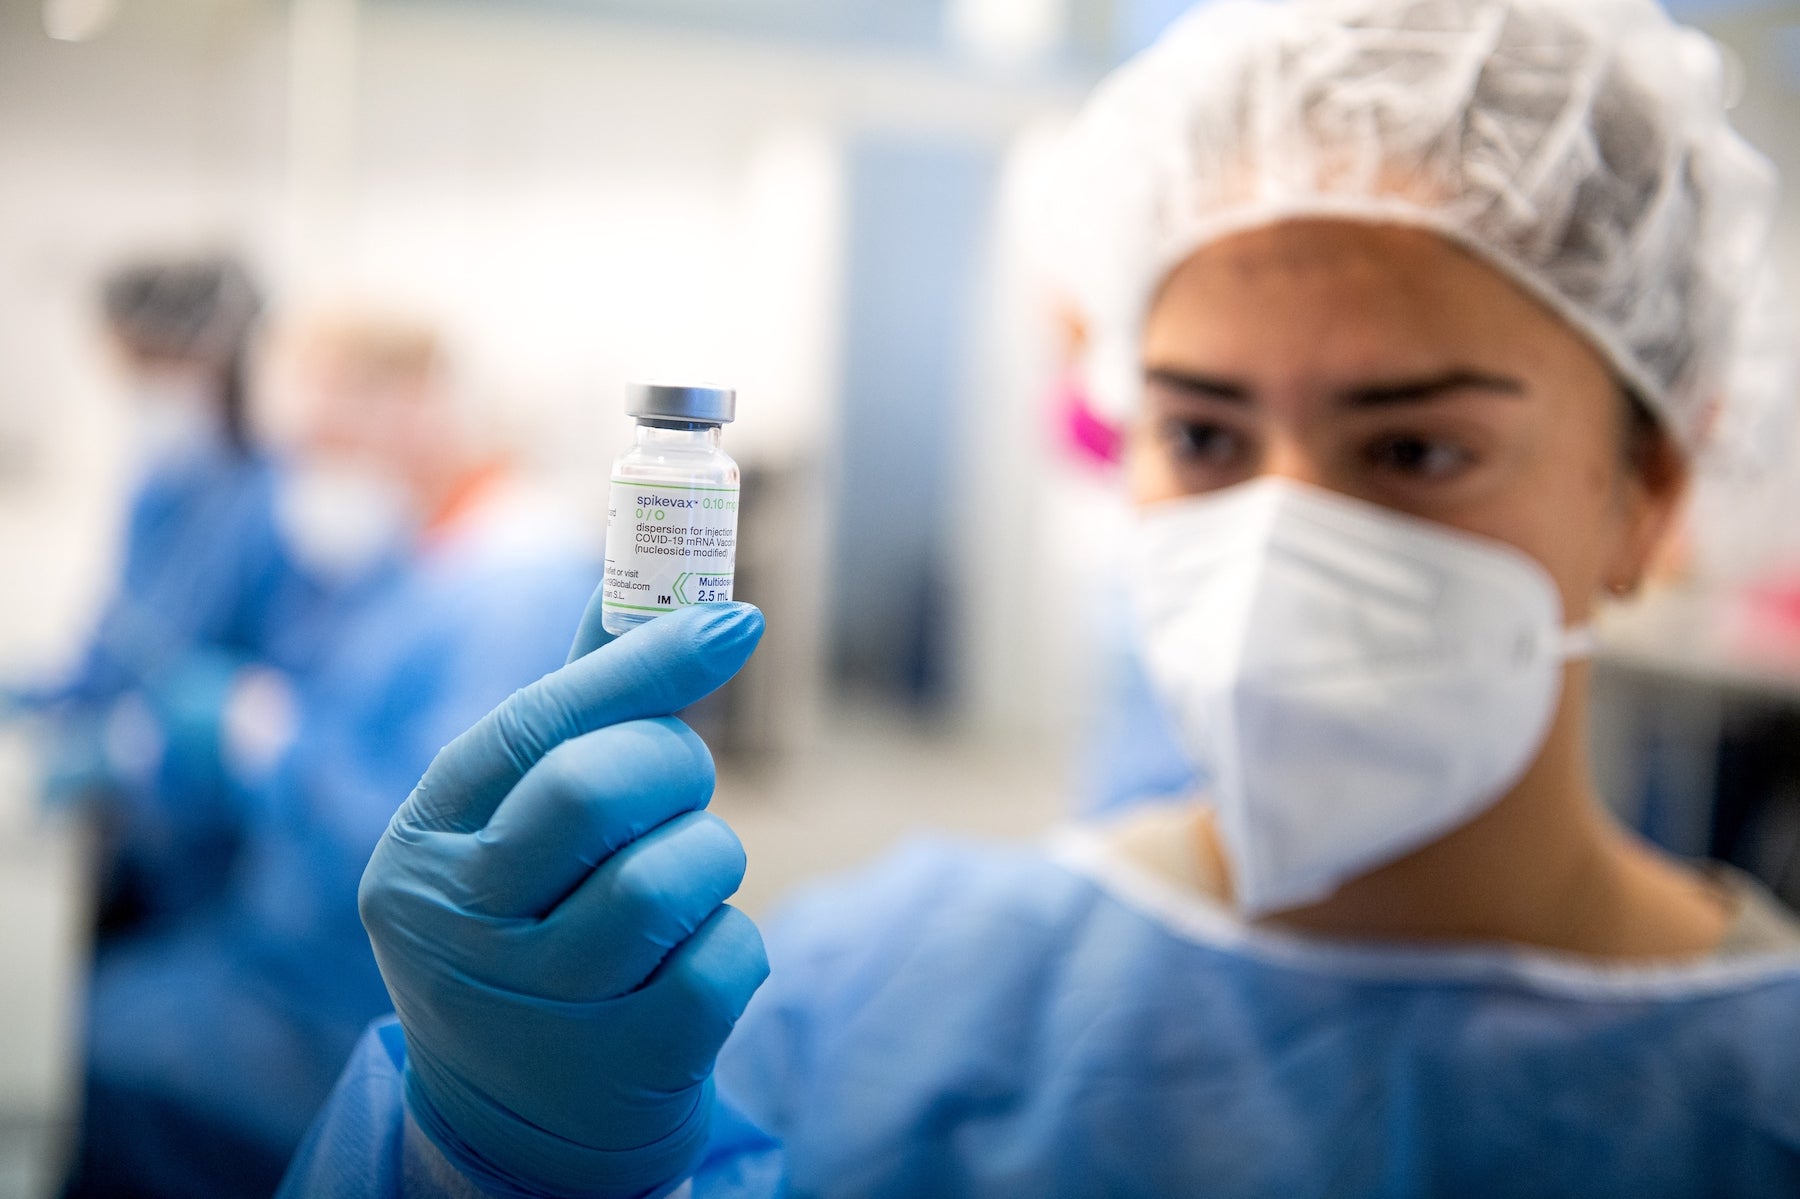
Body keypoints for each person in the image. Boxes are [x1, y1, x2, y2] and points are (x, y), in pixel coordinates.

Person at [283, 1, 1800, 1195]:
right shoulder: (870, 1002)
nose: (1282, 533)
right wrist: (486, 1165)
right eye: (1202, 433)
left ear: (1651, 488)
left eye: (1414, 445)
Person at [67, 312, 602, 1199]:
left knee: (74, 1048)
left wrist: (264, 743)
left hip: (366, 1005)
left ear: (416, 413)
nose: (312, 472)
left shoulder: (521, 583)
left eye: (329, 439)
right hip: (293, 954)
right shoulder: (433, 557)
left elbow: (451, 848)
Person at [35, 253, 349, 926]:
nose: (139, 388)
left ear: (215, 361)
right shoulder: (160, 485)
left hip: (223, 863)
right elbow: (116, 646)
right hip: (143, 841)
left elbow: (284, 703)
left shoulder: (281, 503)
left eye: (154, 364)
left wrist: (143, 747)